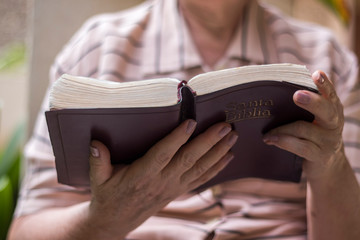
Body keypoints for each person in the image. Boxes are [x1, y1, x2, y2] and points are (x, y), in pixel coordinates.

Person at [8, 0, 360, 239]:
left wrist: (330, 164)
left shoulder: (329, 60)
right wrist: (102, 220)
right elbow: (25, 231)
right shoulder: (95, 49)